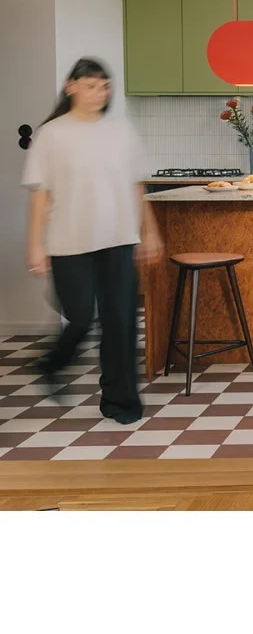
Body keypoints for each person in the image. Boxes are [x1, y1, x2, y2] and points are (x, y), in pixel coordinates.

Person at [22, 57, 163, 424]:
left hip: (118, 238)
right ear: (71, 87)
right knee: (81, 317)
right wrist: (35, 244)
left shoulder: (121, 131)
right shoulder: (51, 135)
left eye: (104, 86)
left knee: (121, 323)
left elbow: (136, 186)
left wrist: (149, 231)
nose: (99, 93)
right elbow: (40, 194)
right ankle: (53, 364)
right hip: (68, 243)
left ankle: (121, 403)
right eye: (90, 86)